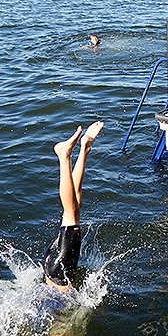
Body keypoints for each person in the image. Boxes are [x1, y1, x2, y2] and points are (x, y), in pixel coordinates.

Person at [43, 121, 104, 291]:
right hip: (53, 264)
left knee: (71, 212)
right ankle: (85, 148)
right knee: (73, 210)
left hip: (59, 270)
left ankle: (65, 156)